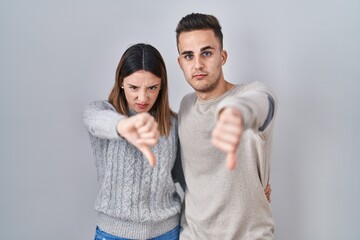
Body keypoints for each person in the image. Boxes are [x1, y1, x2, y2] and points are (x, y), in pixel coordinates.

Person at [175, 13, 277, 239]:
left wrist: (238, 112)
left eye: (207, 53)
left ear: (223, 56)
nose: (198, 64)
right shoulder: (185, 106)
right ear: (180, 62)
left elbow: (264, 103)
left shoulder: (250, 94)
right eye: (188, 56)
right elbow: (189, 173)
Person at [83, 43, 185, 240]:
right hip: (114, 233)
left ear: (162, 85)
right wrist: (122, 126)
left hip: (167, 233)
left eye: (152, 88)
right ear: (121, 82)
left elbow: (189, 179)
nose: (142, 97)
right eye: (133, 87)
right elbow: (92, 119)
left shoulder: (173, 125)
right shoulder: (104, 113)